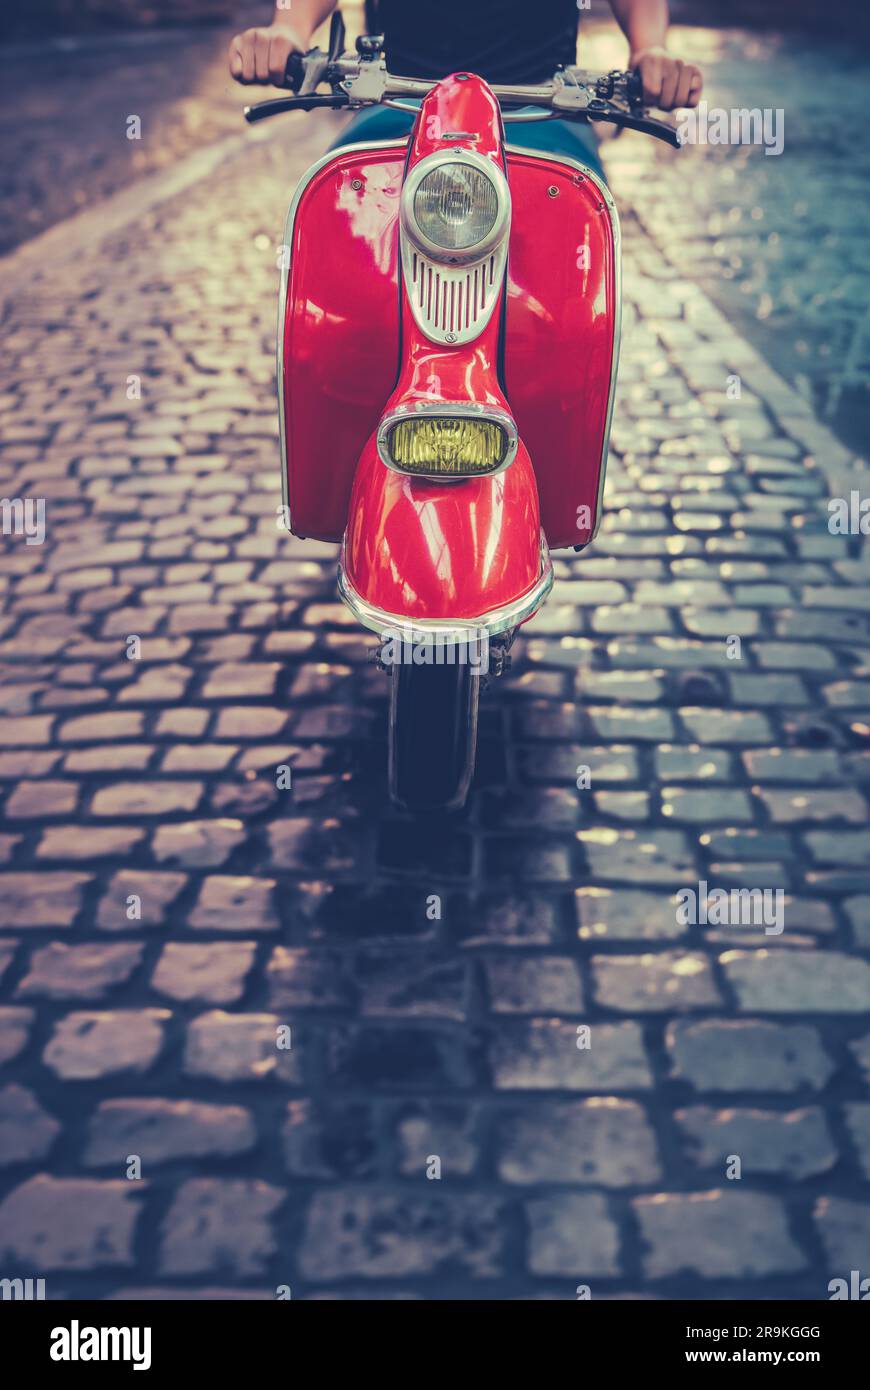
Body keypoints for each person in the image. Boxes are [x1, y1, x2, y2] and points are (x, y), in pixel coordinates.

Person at [228, 0, 703, 181]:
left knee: (580, 231)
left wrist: (650, 49)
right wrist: (287, 30)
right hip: (403, 101)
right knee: (338, 195)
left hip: (542, 108)